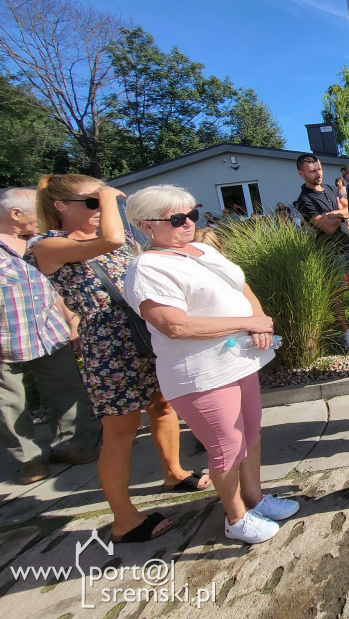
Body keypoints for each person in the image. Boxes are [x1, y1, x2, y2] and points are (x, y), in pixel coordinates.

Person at [29, 174, 209, 544]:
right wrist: (110, 196)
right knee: (119, 433)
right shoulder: (46, 245)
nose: (102, 208)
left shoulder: (114, 237)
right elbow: (109, 239)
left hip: (143, 333)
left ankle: (173, 473)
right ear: (60, 206)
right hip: (109, 346)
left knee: (163, 406)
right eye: (92, 202)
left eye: (103, 202)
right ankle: (123, 520)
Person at [124, 185, 298, 544]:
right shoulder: (148, 268)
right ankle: (236, 517)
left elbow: (240, 285)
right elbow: (174, 325)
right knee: (226, 446)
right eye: (176, 219)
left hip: (238, 361)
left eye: (192, 214)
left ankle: (255, 498)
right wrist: (247, 322)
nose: (188, 223)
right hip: (200, 373)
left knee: (251, 433)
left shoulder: (201, 249)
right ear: (147, 225)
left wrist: (259, 320)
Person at [0, 188, 100, 484]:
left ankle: (73, 445)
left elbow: (54, 287)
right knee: (9, 404)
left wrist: (72, 322)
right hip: (5, 339)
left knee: (67, 389)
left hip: (50, 332)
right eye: (39, 209)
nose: (47, 215)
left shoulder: (41, 243)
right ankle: (28, 461)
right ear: (16, 214)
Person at [294, 153, 349, 350]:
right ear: (301, 174)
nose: (318, 174)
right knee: (337, 292)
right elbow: (328, 228)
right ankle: (345, 332)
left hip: (345, 245)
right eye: (312, 171)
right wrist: (340, 214)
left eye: (319, 169)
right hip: (328, 251)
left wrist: (335, 213)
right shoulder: (304, 200)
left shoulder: (331, 188)